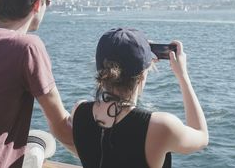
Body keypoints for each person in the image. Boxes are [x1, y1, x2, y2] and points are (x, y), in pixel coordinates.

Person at [71, 28, 208, 168]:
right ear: (143, 75)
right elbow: (202, 137)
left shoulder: (79, 111)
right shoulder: (160, 126)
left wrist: (142, 59)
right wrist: (182, 75)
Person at [0, 0, 74, 167]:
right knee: (44, 141)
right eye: (46, 1)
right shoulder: (27, 47)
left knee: (37, 141)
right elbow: (61, 126)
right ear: (37, 4)